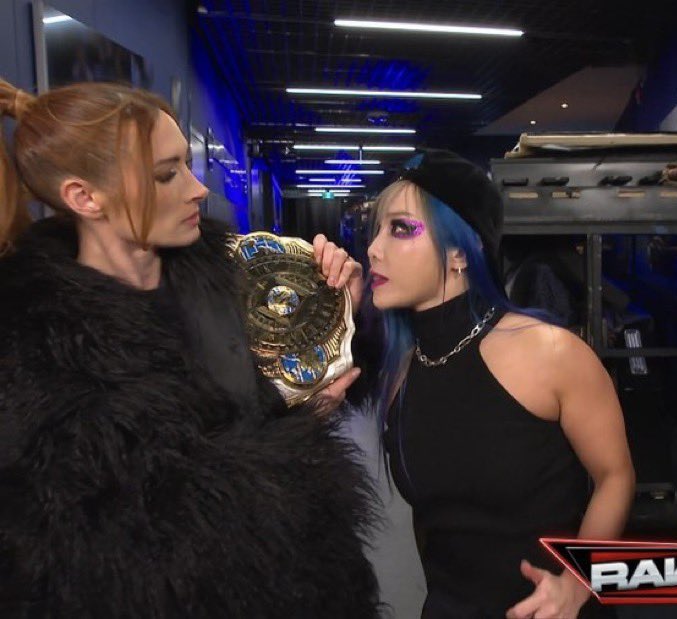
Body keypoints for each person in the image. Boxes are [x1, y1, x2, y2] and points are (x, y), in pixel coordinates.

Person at [0, 79, 380, 617]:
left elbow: (296, 381)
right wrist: (302, 431)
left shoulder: (239, 275)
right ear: (84, 197)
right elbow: (123, 539)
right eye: (166, 174)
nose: (198, 189)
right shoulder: (36, 347)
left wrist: (338, 307)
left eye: (185, 164)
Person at [366, 150, 635, 619]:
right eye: (377, 229)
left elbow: (616, 477)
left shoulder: (551, 353)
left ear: (459, 253)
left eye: (401, 228)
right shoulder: (403, 373)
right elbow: (435, 522)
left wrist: (579, 584)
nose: (374, 248)